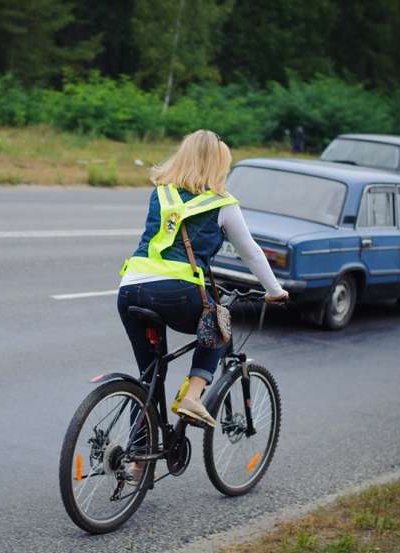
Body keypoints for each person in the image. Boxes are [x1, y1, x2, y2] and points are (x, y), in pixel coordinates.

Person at [118, 129, 287, 429]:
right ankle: (193, 395)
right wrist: (275, 290)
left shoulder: (160, 192)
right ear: (218, 165)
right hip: (175, 292)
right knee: (219, 323)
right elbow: (252, 253)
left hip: (130, 288)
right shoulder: (222, 204)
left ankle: (136, 461)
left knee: (148, 378)